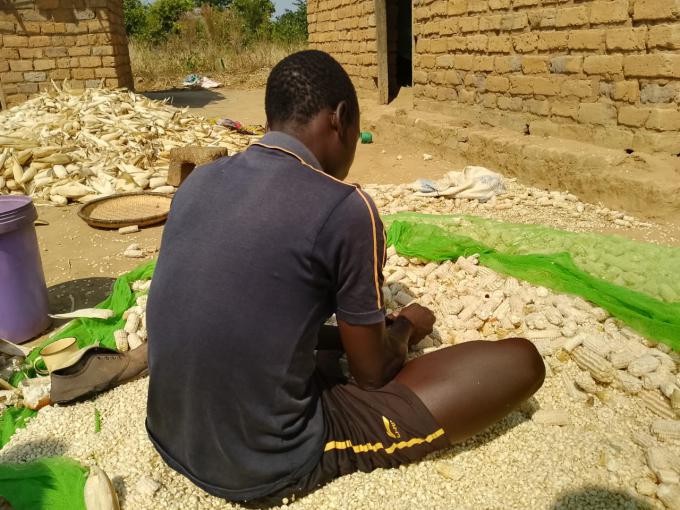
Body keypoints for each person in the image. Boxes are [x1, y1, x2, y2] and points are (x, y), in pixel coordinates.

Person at [145, 50, 545, 507]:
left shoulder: (201, 180)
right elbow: (372, 374)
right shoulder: (345, 207)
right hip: (260, 461)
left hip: (168, 428)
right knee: (520, 362)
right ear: (341, 119)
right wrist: (407, 326)